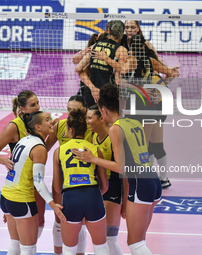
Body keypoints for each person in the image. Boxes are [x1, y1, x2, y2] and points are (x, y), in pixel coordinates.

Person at [72, 83, 161, 255]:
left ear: (103, 111)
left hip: (139, 183)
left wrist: (93, 158)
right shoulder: (134, 123)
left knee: (136, 244)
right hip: (153, 179)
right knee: (140, 240)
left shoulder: (115, 129)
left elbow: (121, 167)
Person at [0, 111, 66, 255]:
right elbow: (38, 181)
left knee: (15, 244)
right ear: (38, 127)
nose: (52, 121)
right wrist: (52, 204)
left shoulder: (24, 140)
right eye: (48, 119)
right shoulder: (39, 148)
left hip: (6, 197)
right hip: (22, 200)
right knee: (28, 249)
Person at [121, 32, 180, 189]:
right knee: (148, 145)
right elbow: (171, 74)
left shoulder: (134, 61)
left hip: (142, 105)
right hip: (148, 105)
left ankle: (149, 178)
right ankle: (154, 178)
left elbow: (119, 80)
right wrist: (157, 89)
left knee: (143, 145)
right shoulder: (148, 61)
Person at [0, 90, 48, 239]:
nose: (37, 107)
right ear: (22, 109)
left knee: (40, 221)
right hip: (19, 186)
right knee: (23, 233)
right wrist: (4, 160)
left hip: (34, 181)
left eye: (38, 103)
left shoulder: (37, 122)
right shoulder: (14, 127)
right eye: (33, 105)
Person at [53, 107, 109, 255]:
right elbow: (105, 186)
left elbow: (57, 188)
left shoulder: (58, 151)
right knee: (101, 247)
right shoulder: (95, 150)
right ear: (85, 131)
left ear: (70, 130)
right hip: (92, 196)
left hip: (71, 199)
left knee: (69, 250)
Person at [47, 95, 93, 255]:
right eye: (68, 110)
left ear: (84, 110)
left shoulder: (91, 127)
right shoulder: (60, 126)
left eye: (74, 110)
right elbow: (43, 148)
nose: (70, 113)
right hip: (62, 179)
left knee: (79, 222)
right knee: (60, 220)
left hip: (84, 181)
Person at [87, 104, 125, 255]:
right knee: (101, 240)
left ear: (101, 118)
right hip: (98, 189)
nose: (87, 121)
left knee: (110, 239)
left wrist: (126, 201)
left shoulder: (113, 137)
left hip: (113, 189)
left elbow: (123, 170)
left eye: (90, 118)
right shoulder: (93, 137)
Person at [75, 21, 128, 107]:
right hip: (107, 93)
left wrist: (93, 88)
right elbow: (122, 70)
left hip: (91, 93)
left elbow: (78, 69)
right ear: (122, 34)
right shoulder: (121, 50)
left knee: (89, 118)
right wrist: (106, 58)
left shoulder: (95, 45)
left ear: (109, 31)